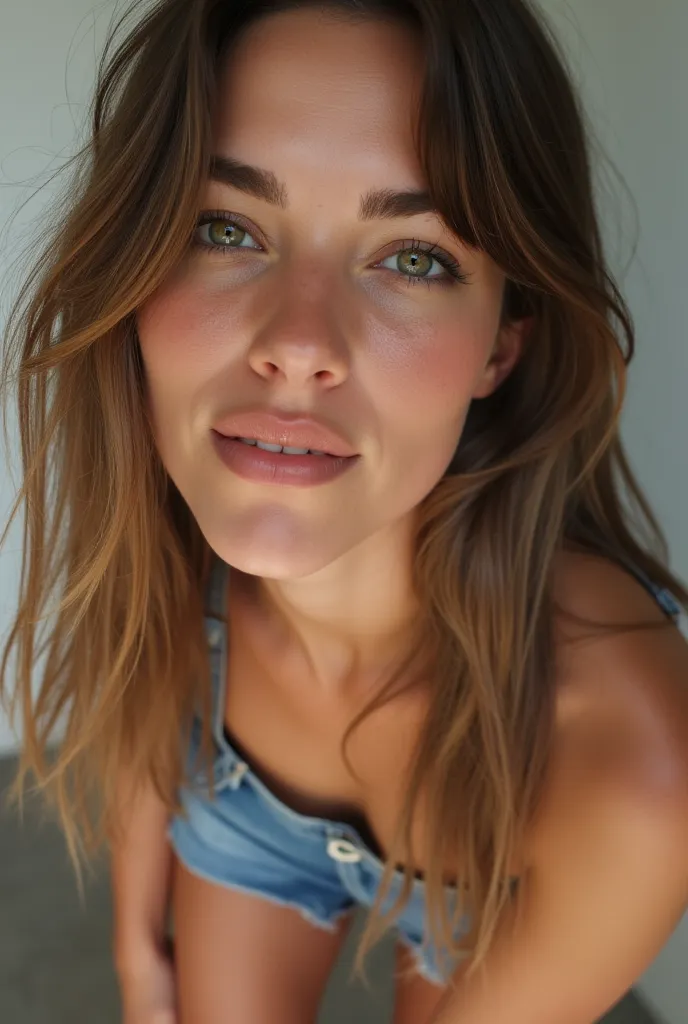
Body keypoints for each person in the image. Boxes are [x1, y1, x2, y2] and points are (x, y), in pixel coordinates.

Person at [1, 0, 688, 1021]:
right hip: (243, 810)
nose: (298, 343)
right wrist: (146, 971)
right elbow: (155, 706)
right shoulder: (172, 531)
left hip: (495, 864)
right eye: (223, 228)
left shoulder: (634, 773)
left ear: (502, 344)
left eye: (412, 257)